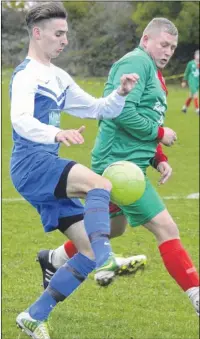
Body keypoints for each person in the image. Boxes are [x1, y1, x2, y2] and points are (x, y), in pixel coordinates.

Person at [41, 17, 199, 316]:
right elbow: (120, 112)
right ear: (145, 40)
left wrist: (157, 158)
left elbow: (144, 117)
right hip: (120, 167)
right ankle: (196, 294)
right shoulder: (136, 62)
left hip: (129, 163)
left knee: (113, 228)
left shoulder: (152, 70)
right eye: (163, 44)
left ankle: (54, 259)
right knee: (166, 228)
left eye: (173, 47)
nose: (168, 51)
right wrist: (160, 134)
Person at [10, 2, 140, 338]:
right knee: (101, 184)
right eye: (58, 33)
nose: (64, 39)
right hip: (32, 163)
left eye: (66, 33)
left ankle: (33, 316)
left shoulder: (59, 77)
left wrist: (120, 93)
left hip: (45, 169)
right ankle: (108, 257)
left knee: (85, 251)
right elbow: (20, 119)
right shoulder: (27, 75)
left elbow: (97, 108)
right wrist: (56, 133)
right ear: (37, 34)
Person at [181, 50, 199, 114]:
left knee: (191, 95)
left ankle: (184, 108)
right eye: (197, 54)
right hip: (191, 80)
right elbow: (186, 72)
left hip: (198, 81)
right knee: (195, 94)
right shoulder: (190, 63)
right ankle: (197, 109)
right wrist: (184, 81)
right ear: (195, 55)